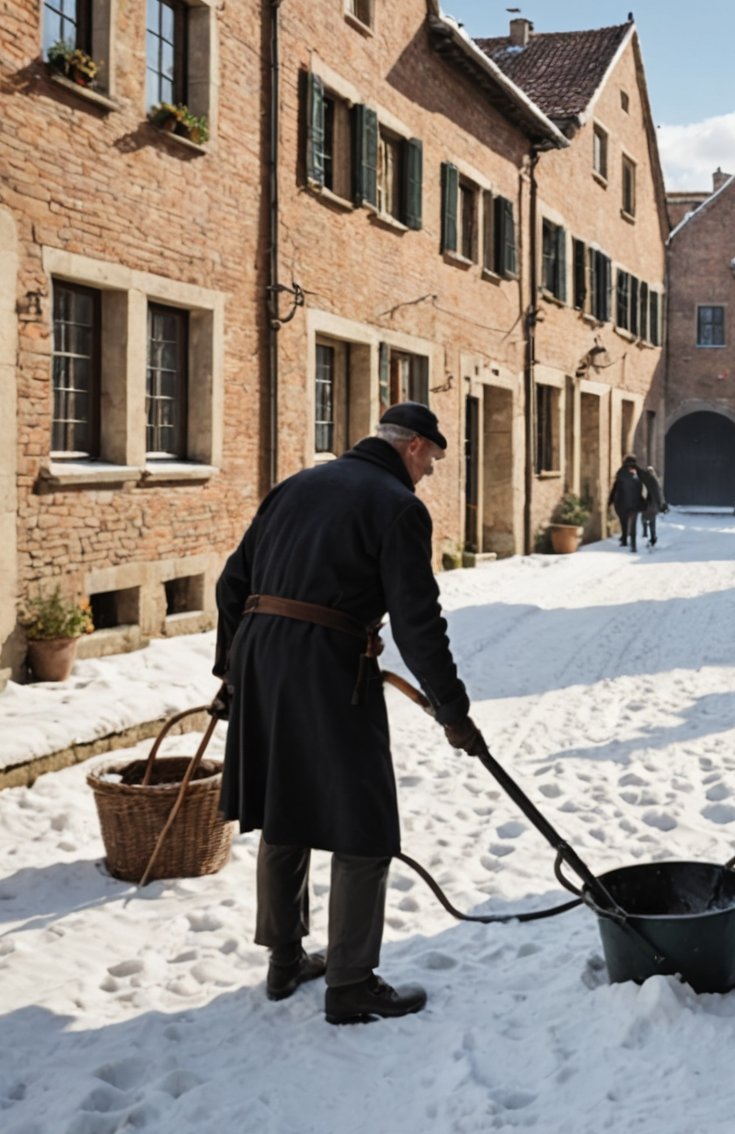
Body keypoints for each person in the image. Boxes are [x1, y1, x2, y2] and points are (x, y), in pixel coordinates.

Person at [214, 402, 485, 1025]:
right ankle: (352, 983)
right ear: (414, 446)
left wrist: (233, 672)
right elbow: (418, 626)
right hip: (326, 666)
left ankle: (285, 961)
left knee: (287, 803)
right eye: (432, 462)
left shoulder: (298, 484)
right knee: (363, 822)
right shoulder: (397, 506)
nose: (428, 476)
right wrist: (453, 710)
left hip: (260, 659)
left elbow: (232, 584)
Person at [609, 455, 649, 552]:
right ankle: (633, 544)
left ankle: (624, 540)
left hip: (622, 503)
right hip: (635, 503)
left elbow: (615, 487)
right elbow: (645, 484)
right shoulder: (638, 473)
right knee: (633, 524)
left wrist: (610, 500)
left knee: (624, 521)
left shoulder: (620, 472)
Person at [636, 461, 667, 548]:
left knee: (644, 518)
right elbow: (660, 495)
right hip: (654, 506)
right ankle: (653, 537)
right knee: (652, 521)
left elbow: (644, 493)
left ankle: (646, 533)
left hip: (648, 504)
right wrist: (662, 505)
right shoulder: (656, 483)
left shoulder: (648, 483)